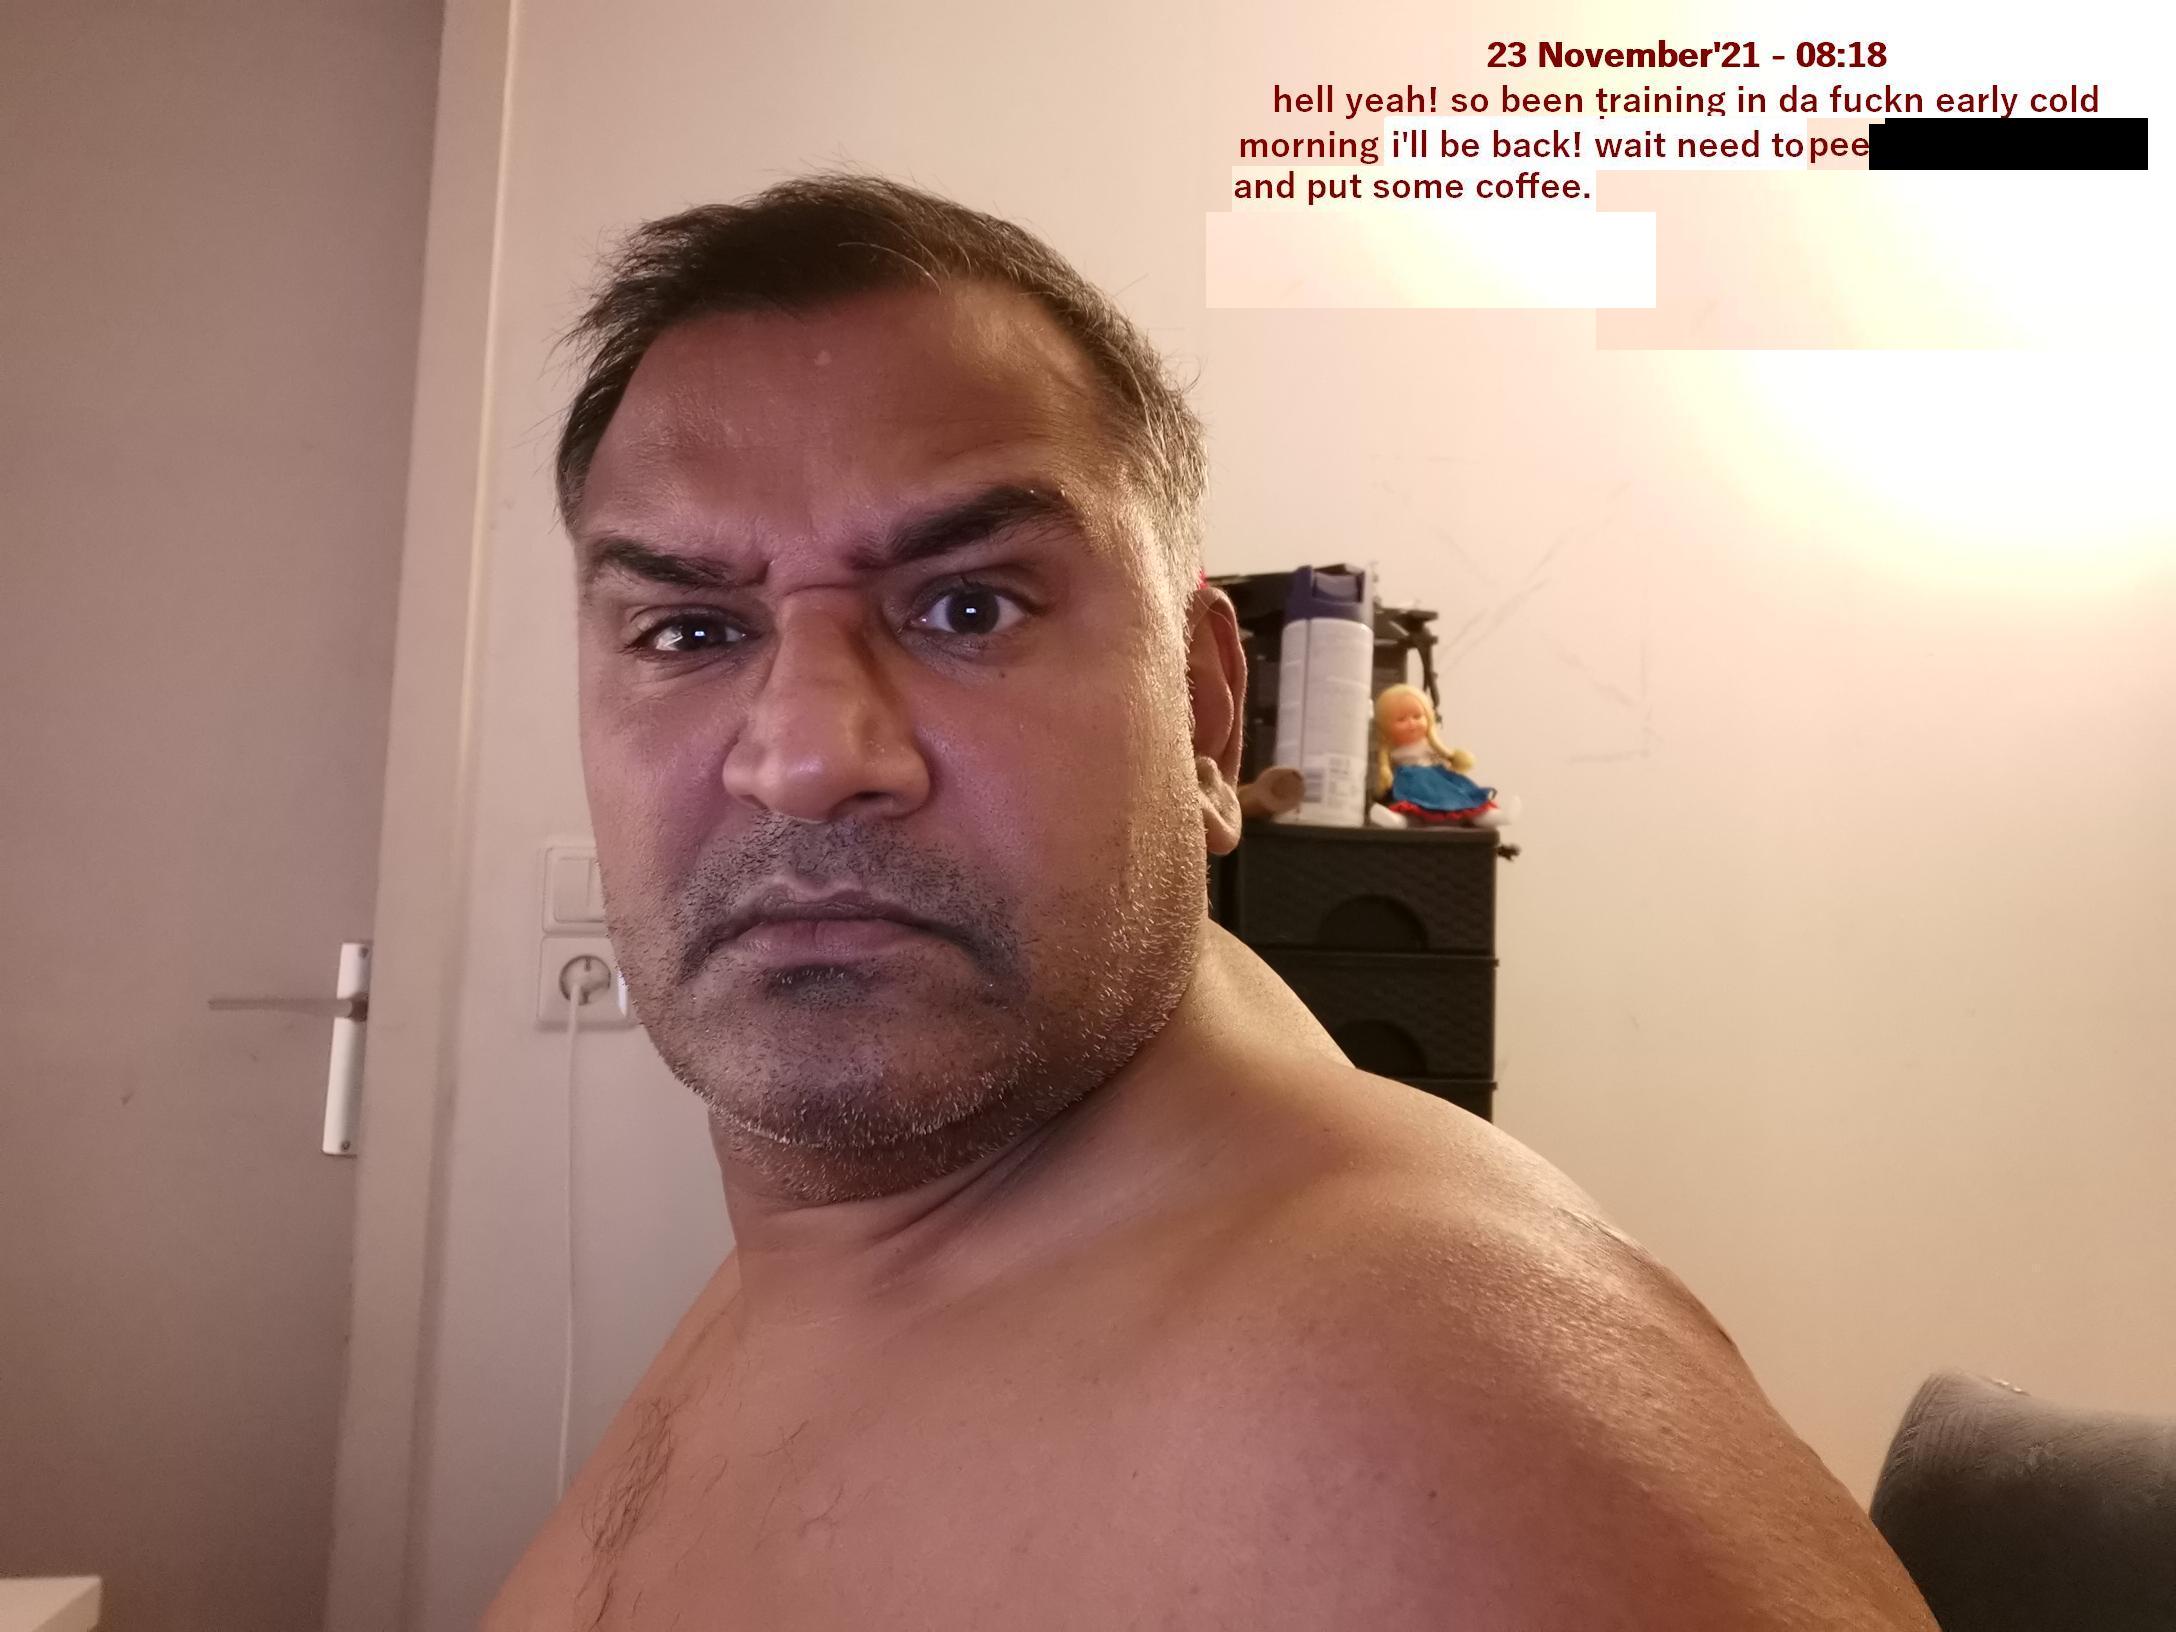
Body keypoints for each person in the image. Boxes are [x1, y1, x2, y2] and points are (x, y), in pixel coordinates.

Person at [486, 172, 1935, 1630]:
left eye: (969, 606)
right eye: (687, 629)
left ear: (1203, 708)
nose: (803, 758)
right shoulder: (850, 1236)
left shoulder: (1422, 1405)